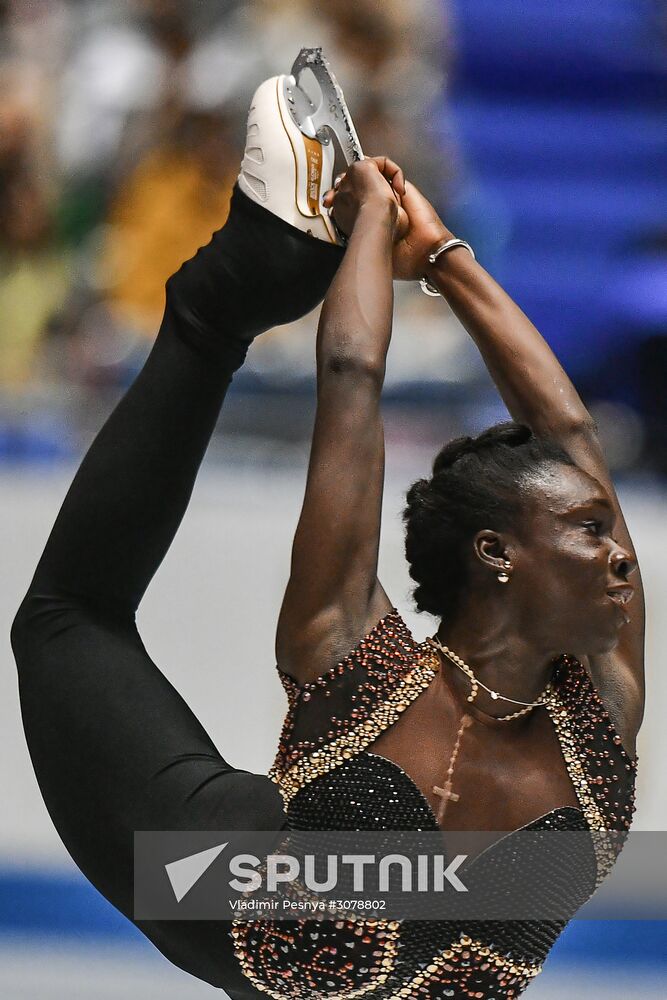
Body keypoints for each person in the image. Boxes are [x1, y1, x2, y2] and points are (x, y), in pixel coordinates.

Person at [12, 54, 641, 1000]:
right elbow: (351, 379)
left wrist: (439, 259)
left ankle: (245, 279)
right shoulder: (364, 663)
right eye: (589, 531)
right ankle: (225, 294)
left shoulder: (598, 702)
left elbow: (572, 432)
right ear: (496, 555)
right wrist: (383, 241)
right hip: (218, 892)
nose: (623, 553)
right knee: (67, 620)